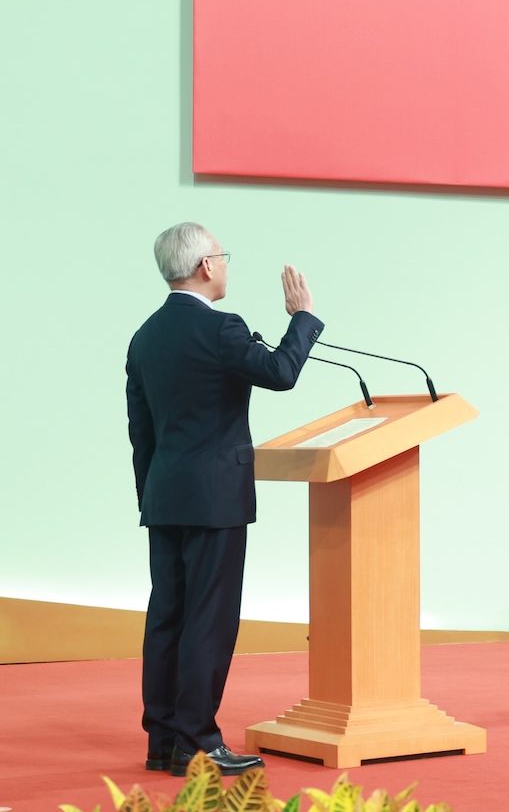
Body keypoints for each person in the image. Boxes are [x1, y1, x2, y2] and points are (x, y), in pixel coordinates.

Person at [126, 222, 323, 775]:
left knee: (168, 617)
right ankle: (198, 743)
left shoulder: (144, 337)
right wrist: (302, 318)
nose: (226, 265)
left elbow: (141, 432)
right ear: (207, 266)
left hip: (164, 498)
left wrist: (153, 496)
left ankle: (163, 741)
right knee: (209, 622)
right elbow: (281, 373)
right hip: (214, 501)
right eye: (223, 257)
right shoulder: (219, 329)